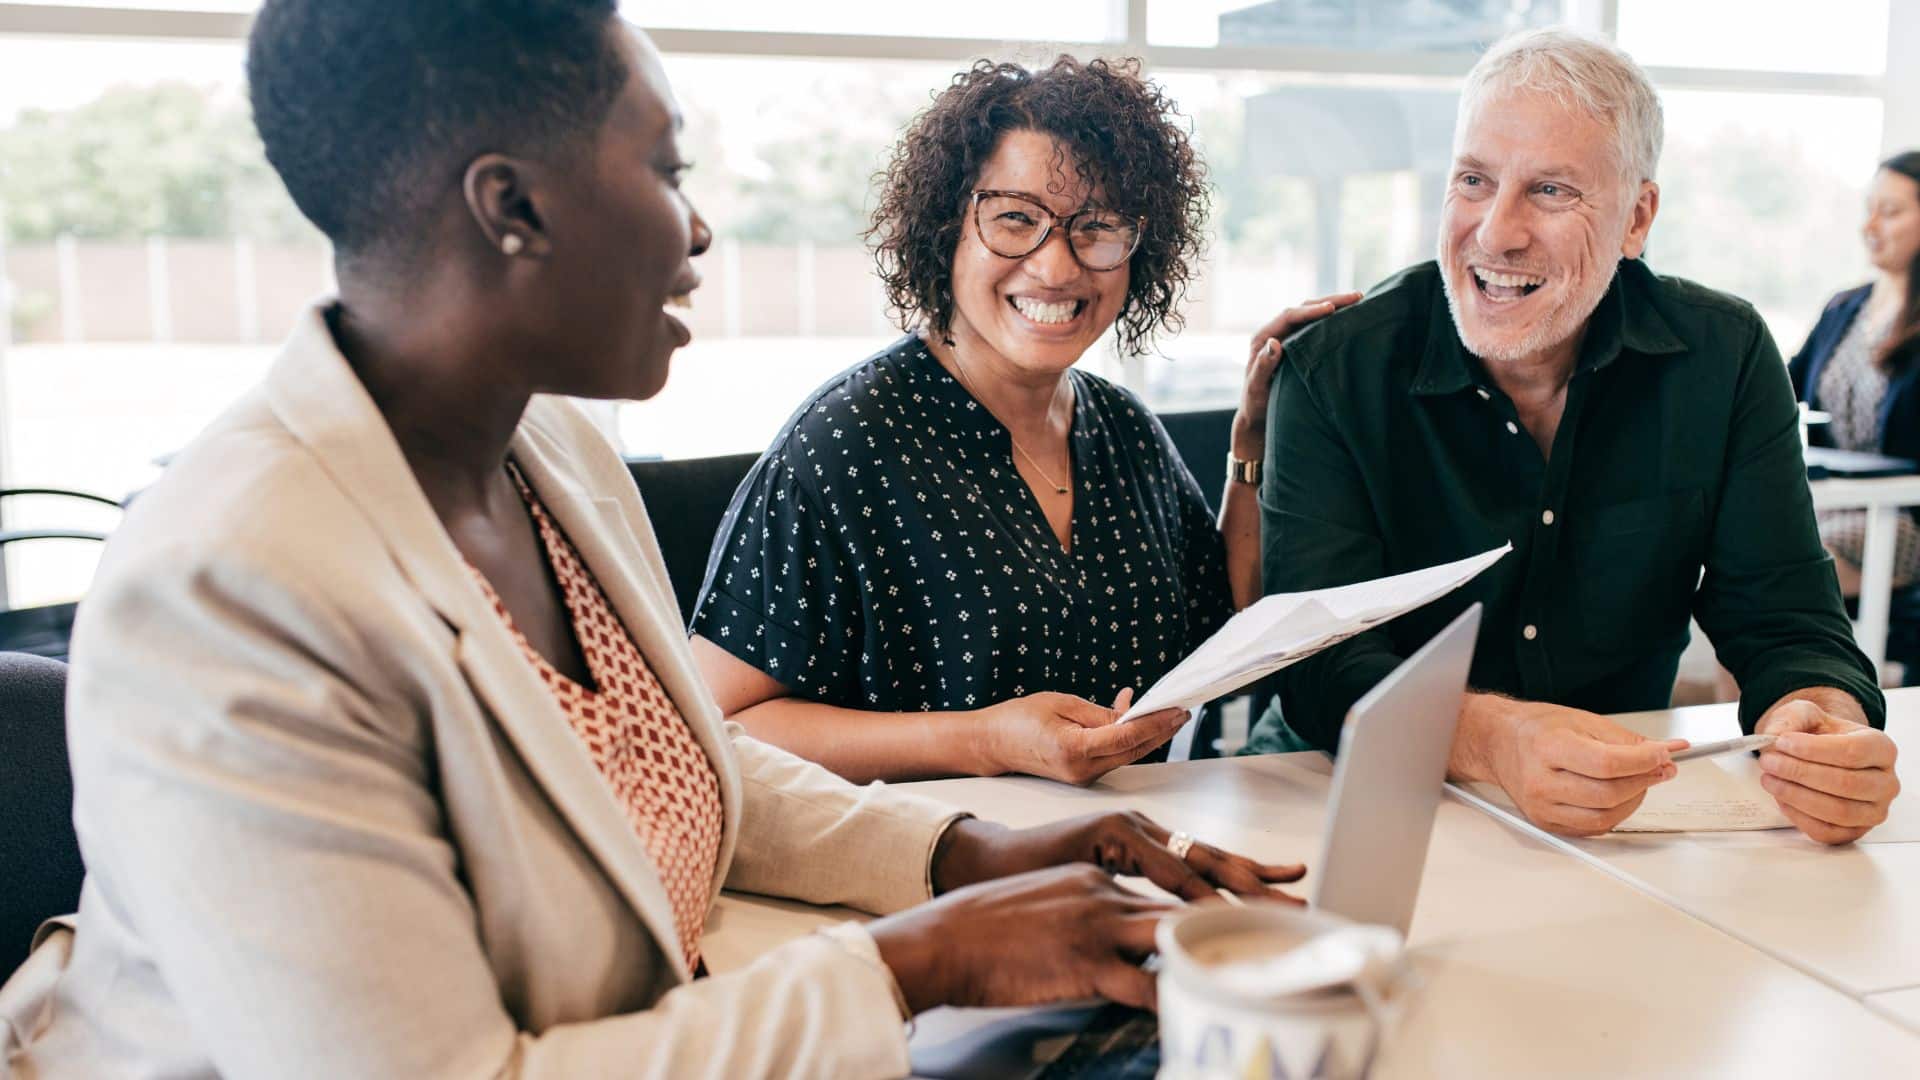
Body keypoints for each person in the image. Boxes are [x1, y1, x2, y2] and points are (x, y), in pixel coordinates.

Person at [0, 5, 1310, 1077]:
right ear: (513, 206)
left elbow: (694, 764)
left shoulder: (550, 448)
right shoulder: (230, 585)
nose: (697, 230)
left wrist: (977, 858)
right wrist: (928, 958)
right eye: (666, 171)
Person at [1245, 28, 1901, 845]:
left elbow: (1788, 622)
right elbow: (1319, 663)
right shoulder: (1335, 369)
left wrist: (1819, 722)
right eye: (1474, 180)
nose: (1495, 233)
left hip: (1615, 809)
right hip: (1343, 785)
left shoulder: (1724, 356)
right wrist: (1495, 740)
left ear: (1637, 218)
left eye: (1551, 191)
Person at [689, 56, 1355, 785]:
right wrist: (982, 740)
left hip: (1127, 853)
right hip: (930, 872)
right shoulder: (843, 446)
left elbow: (1225, 620)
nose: (1058, 266)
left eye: (1096, 227)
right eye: (1016, 219)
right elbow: (722, 725)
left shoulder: (1123, 429)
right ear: (947, 230)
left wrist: (1252, 443)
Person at [1790, 151, 1920, 597]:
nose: (1870, 227)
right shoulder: (1844, 308)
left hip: (1903, 517)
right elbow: (1779, 388)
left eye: (1890, 212)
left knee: (1786, 576)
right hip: (1831, 503)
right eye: (1869, 210)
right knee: (1737, 563)